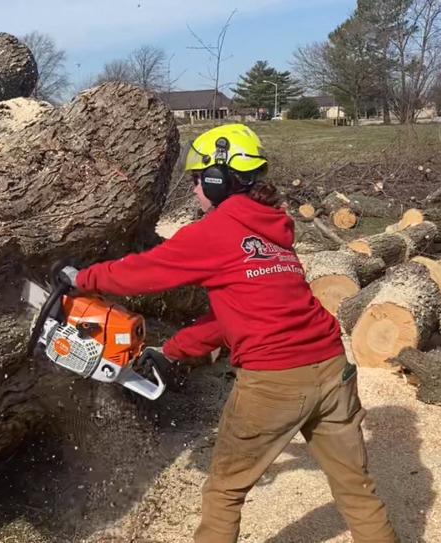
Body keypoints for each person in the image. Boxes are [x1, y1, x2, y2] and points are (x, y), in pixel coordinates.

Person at [55, 124, 399, 543]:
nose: (196, 189)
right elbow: (231, 316)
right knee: (356, 489)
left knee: (224, 489)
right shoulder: (274, 232)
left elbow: (143, 273)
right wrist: (175, 350)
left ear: (218, 180)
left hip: (274, 379)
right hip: (333, 368)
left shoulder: (214, 232)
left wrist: (82, 279)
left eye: (198, 179)